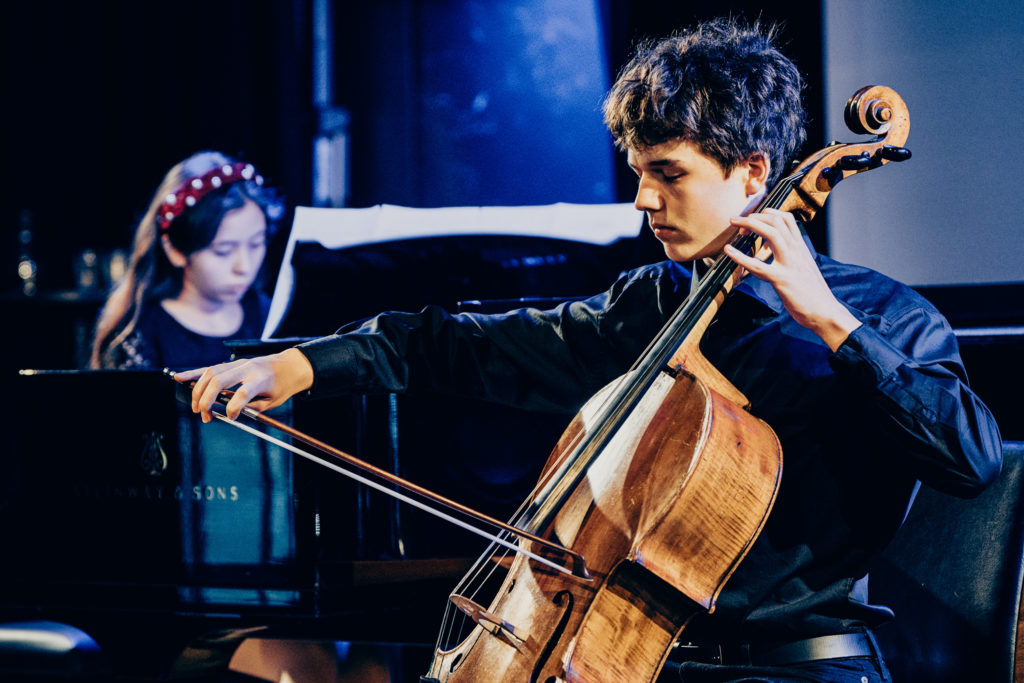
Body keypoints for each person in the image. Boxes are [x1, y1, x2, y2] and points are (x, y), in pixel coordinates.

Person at [176, 18, 1002, 683]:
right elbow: (465, 344)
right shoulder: (649, 308)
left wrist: (830, 324)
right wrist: (303, 363)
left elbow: (970, 459)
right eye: (639, 172)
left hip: (801, 668)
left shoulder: (885, 314)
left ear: (753, 175)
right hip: (631, 662)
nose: (644, 198)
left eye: (669, 173)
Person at [89, 150, 282, 370]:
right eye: (223, 250)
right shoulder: (138, 333)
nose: (245, 267)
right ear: (174, 249)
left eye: (256, 244)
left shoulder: (270, 316)